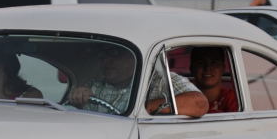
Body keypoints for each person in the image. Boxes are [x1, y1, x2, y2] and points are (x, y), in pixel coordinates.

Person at [69, 45, 207, 118]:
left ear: (132, 58)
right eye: (104, 57)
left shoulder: (160, 80)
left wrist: (142, 109)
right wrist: (78, 100)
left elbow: (199, 104)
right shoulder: (95, 84)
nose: (107, 62)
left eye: (115, 55)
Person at [189, 47, 239, 114]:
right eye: (201, 63)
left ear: (223, 68)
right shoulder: (183, 98)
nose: (207, 68)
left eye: (214, 63)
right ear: (191, 69)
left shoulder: (233, 98)